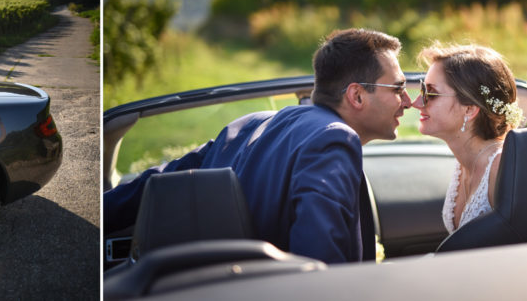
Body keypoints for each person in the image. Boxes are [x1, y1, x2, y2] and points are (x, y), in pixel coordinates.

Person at [103, 28, 412, 264]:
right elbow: (319, 266)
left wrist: (100, 213)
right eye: (398, 88)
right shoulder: (334, 140)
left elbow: (157, 180)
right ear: (356, 96)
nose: (408, 101)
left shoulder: (250, 124)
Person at [411, 44, 524, 234]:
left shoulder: (501, 169)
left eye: (431, 93)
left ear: (469, 109)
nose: (416, 103)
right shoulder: (463, 163)